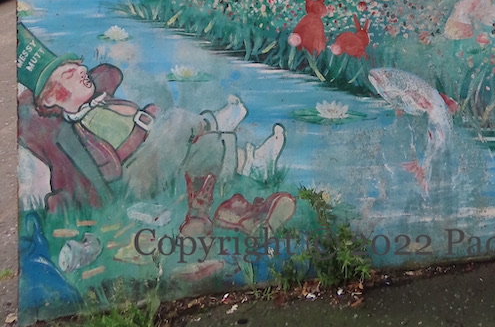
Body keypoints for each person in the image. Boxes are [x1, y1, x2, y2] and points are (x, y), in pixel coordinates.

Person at [17, 23, 295, 235]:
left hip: (149, 155)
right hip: (131, 182)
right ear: (51, 98)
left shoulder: (104, 101)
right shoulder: (68, 137)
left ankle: (207, 212)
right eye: (69, 74)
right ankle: (213, 122)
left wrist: (147, 121)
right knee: (177, 121)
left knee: (207, 144)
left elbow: (113, 78)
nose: (81, 71)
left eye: (77, 67)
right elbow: (82, 177)